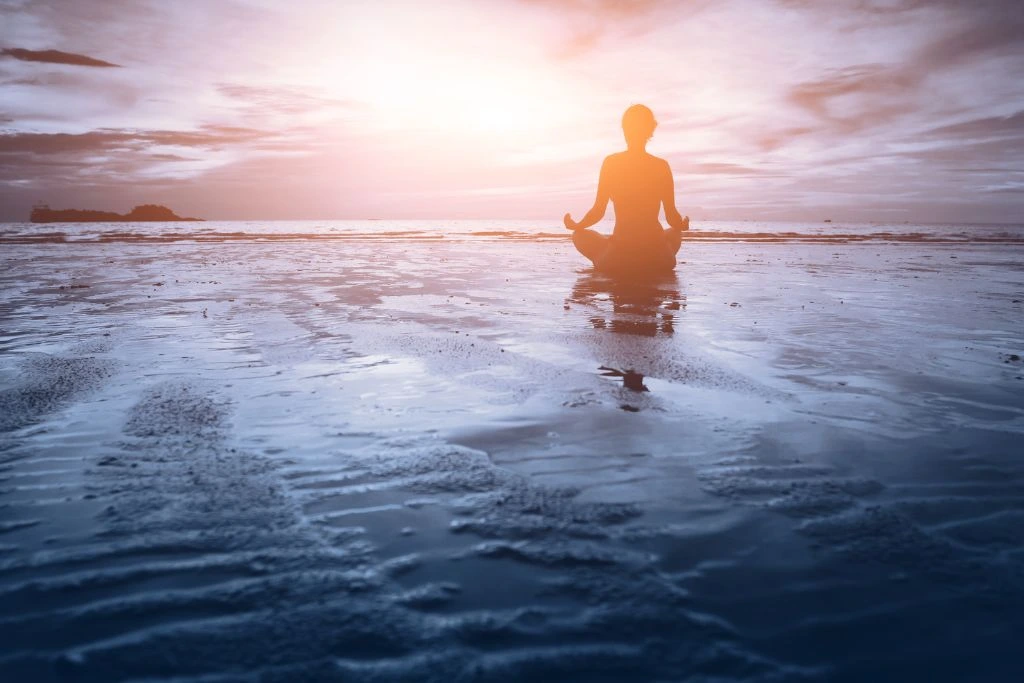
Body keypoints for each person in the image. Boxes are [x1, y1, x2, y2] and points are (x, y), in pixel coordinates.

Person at [564, 104, 689, 276]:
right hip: (659, 258)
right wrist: (681, 225)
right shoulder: (661, 166)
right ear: (650, 130)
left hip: (618, 259)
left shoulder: (611, 163)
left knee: (579, 235)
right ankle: (637, 255)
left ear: (624, 130)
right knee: (674, 233)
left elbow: (598, 211)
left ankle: (612, 249)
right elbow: (671, 216)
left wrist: (577, 225)